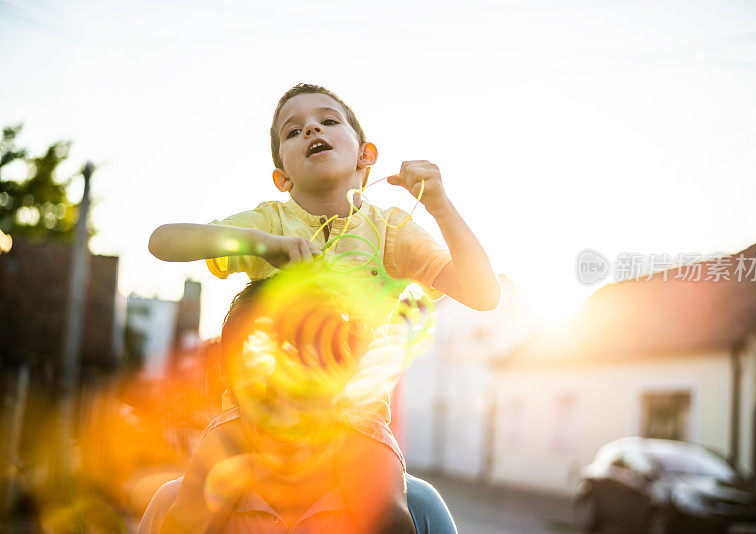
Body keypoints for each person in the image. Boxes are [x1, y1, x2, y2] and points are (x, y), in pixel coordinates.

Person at [148, 83, 499, 532]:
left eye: (328, 121)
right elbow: (162, 242)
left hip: (356, 412)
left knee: (388, 516)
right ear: (283, 178)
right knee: (193, 509)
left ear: (365, 155)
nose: (311, 127)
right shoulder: (270, 223)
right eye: (292, 132)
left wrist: (440, 205)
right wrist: (261, 244)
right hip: (257, 409)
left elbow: (483, 293)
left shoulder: (392, 230)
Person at [139, 277, 458, 533]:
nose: (287, 422)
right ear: (229, 383)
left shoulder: (418, 511)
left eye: (308, 393)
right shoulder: (173, 509)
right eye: (264, 396)